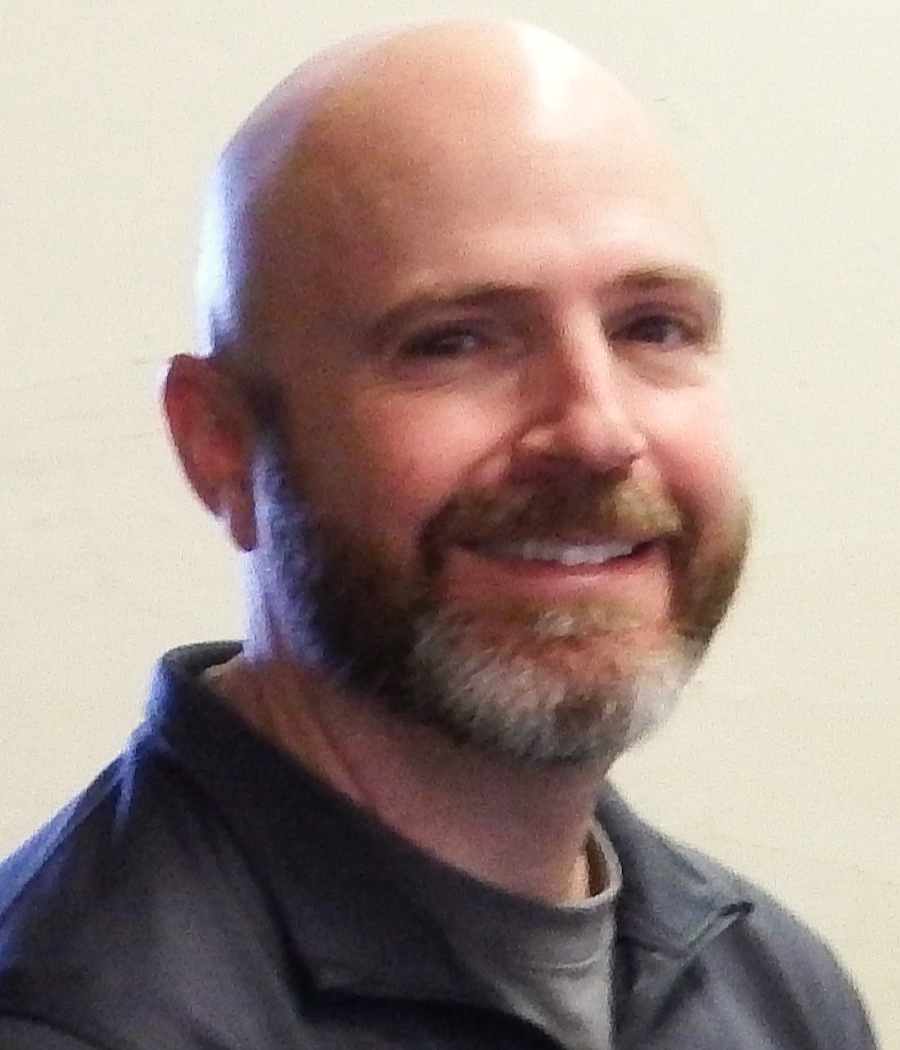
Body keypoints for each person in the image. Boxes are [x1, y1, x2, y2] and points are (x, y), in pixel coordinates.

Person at [0, 18, 877, 1050]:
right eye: (454, 341)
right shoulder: (75, 1019)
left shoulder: (774, 988)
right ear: (221, 445)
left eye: (654, 327)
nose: (597, 430)